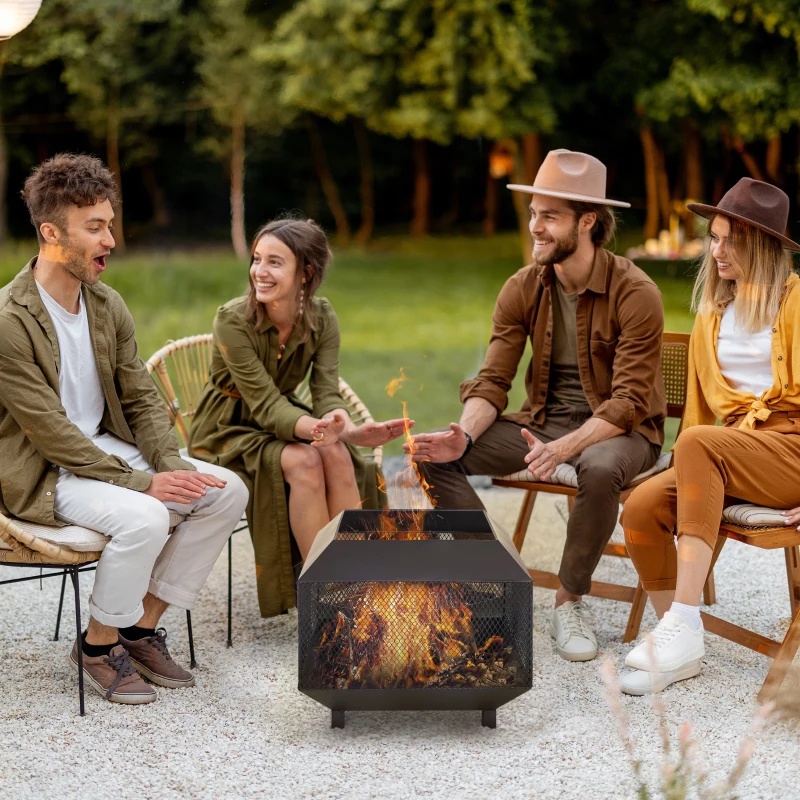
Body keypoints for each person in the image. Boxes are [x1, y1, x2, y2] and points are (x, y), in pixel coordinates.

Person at [0, 153, 249, 705]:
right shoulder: (9, 321)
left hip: (105, 453)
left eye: (109, 224)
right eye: (94, 227)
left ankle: (135, 630)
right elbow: (49, 433)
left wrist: (170, 466)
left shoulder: (107, 304)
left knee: (225, 490)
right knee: (148, 514)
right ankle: (95, 647)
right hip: (47, 469)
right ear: (50, 233)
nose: (110, 239)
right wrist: (143, 485)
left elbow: (141, 398)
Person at [405, 149, 666, 662]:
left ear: (587, 220)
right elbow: (493, 381)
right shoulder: (523, 287)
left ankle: (569, 602)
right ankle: (495, 577)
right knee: (430, 453)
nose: (535, 227)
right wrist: (466, 433)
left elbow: (627, 402)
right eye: (533, 213)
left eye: (549, 216)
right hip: (543, 424)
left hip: (624, 433)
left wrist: (564, 447)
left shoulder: (637, 292)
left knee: (596, 468)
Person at [620, 178, 800, 695]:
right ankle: (680, 640)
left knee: (701, 444)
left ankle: (681, 618)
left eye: (729, 240)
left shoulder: (795, 304)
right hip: (733, 451)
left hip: (790, 453)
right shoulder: (712, 313)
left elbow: (702, 438)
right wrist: (683, 464)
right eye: (713, 237)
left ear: (762, 246)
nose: (715, 250)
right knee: (640, 507)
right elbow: (699, 413)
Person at [188, 216, 408, 617]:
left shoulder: (322, 317)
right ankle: (323, 597)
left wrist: (350, 431)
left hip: (288, 420)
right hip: (227, 429)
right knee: (307, 458)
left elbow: (326, 391)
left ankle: (356, 586)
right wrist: (319, 430)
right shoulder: (233, 319)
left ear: (306, 272)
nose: (260, 271)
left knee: (338, 455)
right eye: (257, 259)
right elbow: (264, 404)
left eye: (275, 262)